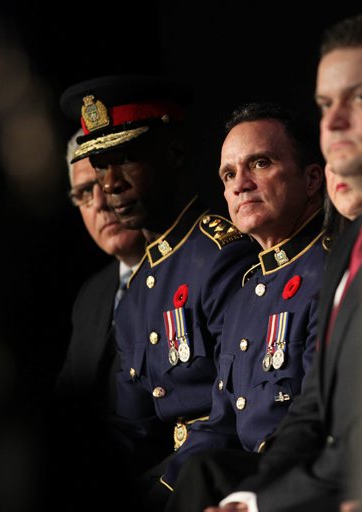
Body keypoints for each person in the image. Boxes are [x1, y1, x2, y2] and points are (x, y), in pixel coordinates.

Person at [165, 9, 362, 512]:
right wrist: (252, 497)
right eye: (324, 104)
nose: (333, 122)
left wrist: (267, 499)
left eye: (360, 98)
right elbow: (311, 410)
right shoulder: (355, 250)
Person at [59, 74, 259, 502]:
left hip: (217, 479)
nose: (109, 184)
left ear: (176, 153)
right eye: (99, 165)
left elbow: (235, 413)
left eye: (125, 158)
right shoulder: (139, 286)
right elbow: (131, 426)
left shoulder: (221, 256)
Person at [159, 102, 356, 495]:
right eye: (228, 174)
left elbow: (321, 419)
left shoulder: (333, 269)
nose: (239, 184)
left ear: (313, 178)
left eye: (260, 164)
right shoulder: (249, 290)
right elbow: (220, 426)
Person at [54, 129, 145, 411]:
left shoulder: (192, 270)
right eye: (84, 194)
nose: (102, 204)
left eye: (106, 182)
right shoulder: (92, 295)